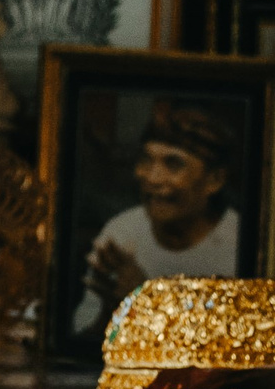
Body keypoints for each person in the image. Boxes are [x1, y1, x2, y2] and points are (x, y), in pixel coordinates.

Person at [73, 100, 241, 339]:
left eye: (173, 164)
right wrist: (110, 310)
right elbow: (84, 340)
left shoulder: (241, 245)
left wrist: (149, 300)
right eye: (146, 160)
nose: (151, 177)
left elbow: (236, 345)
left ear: (214, 180)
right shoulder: (122, 231)